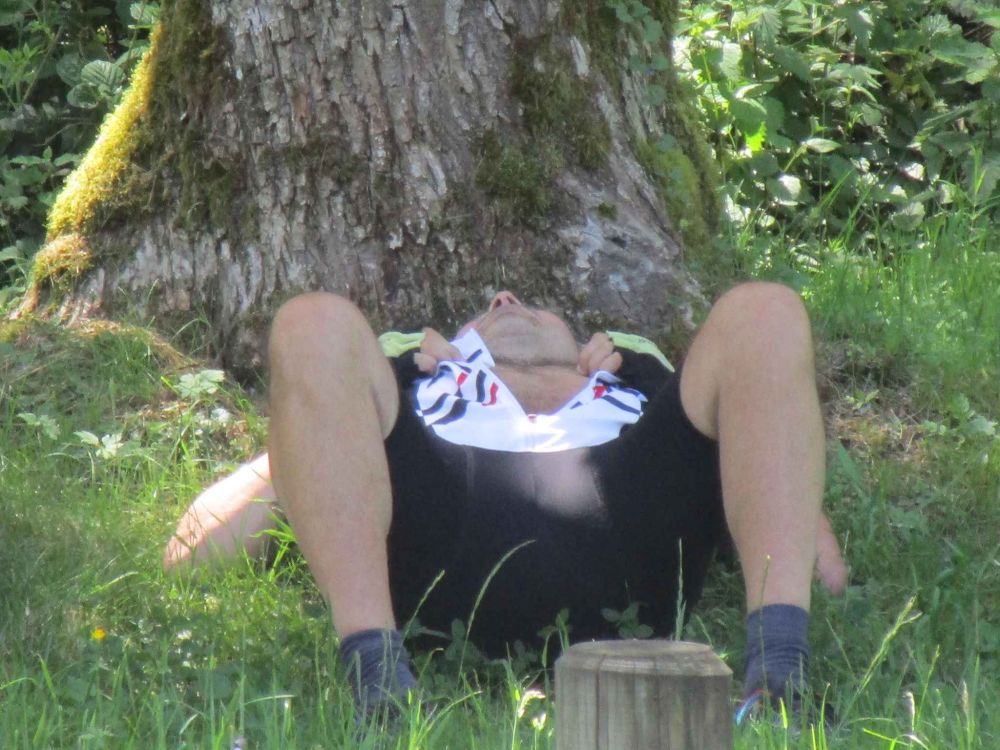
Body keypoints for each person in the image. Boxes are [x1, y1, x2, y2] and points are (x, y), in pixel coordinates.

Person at [164, 285, 848, 720]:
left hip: (627, 532)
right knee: (311, 319)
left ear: (585, 347)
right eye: (485, 311)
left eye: (534, 306)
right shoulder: (407, 381)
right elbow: (190, 554)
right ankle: (378, 682)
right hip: (442, 534)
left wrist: (727, 443)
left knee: (764, 308)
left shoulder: (640, 380)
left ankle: (777, 672)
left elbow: (823, 565)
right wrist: (321, 433)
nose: (505, 298)